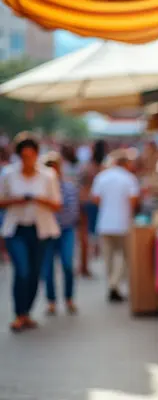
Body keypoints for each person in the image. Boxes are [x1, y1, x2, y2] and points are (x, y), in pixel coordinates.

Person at [0, 134, 61, 331]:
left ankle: (26, 312)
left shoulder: (48, 175)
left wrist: (39, 199)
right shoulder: (8, 174)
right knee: (22, 270)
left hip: (40, 230)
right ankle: (19, 313)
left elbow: (56, 204)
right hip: (16, 229)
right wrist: (17, 200)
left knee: (34, 273)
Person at [91, 150, 139, 302]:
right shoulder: (129, 178)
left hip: (105, 223)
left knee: (109, 258)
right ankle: (115, 284)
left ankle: (112, 285)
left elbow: (96, 199)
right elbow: (133, 201)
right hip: (122, 223)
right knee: (125, 257)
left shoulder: (102, 177)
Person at [41, 153, 80, 315]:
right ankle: (51, 301)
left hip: (65, 231)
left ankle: (69, 298)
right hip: (48, 232)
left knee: (67, 264)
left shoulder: (68, 187)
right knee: (47, 268)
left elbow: (71, 212)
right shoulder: (41, 189)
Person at [77, 140, 106, 278]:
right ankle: (84, 266)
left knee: (84, 236)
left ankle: (83, 265)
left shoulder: (88, 167)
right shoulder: (102, 168)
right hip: (93, 202)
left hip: (84, 201)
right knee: (89, 236)